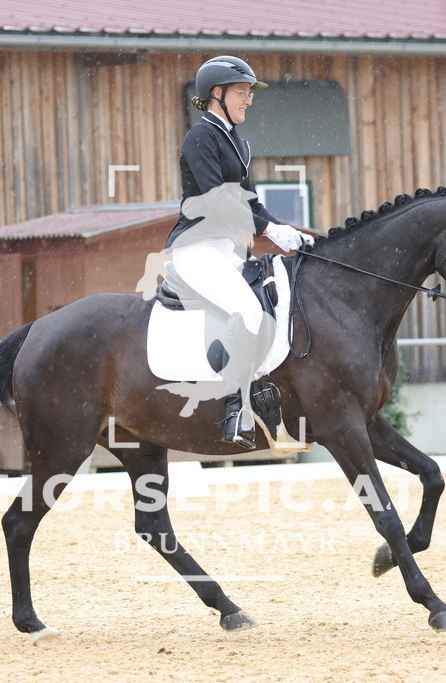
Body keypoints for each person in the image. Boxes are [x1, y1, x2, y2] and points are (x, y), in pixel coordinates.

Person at [163, 55, 314, 449]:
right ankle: (237, 409)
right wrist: (267, 229)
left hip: (229, 252)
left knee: (273, 301)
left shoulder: (238, 143)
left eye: (249, 94)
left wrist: (286, 231)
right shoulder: (201, 137)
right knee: (246, 311)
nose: (249, 100)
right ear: (218, 94)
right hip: (196, 248)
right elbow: (215, 199)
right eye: (242, 93)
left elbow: (250, 204)